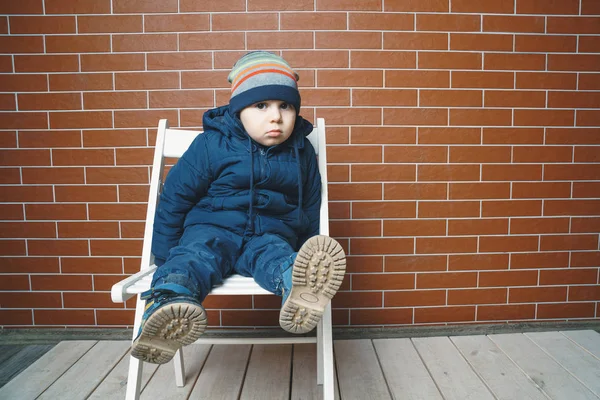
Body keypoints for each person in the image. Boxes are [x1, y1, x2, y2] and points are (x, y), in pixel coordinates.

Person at [131, 51, 346, 364]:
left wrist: (305, 246)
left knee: (275, 255)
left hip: (269, 234)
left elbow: (310, 203)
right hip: (211, 229)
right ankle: (170, 302)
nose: (276, 116)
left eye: (285, 106)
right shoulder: (211, 145)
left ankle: (297, 283)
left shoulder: (300, 150)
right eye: (261, 105)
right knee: (193, 258)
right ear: (238, 110)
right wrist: (163, 255)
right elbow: (175, 197)